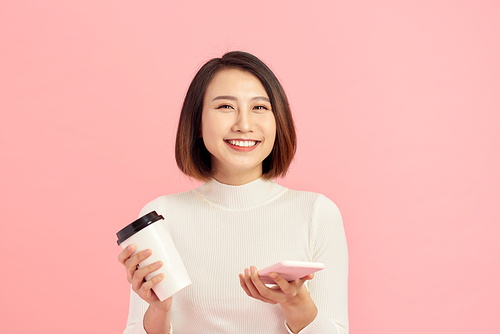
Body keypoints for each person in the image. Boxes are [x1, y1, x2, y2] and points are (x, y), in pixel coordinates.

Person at [118, 51, 348, 334]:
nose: (244, 124)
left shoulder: (316, 213)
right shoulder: (161, 218)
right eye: (226, 106)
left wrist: (297, 303)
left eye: (260, 108)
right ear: (197, 123)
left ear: (279, 122)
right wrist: (158, 311)